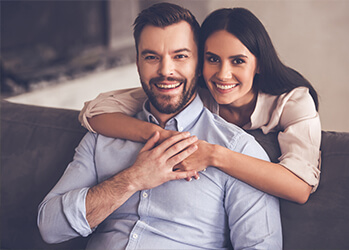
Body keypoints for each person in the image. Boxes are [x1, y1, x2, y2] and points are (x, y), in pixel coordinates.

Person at [37, 3, 282, 249]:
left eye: (180, 56)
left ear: (199, 65)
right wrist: (132, 179)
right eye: (152, 57)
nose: (166, 71)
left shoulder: (237, 151)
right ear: (137, 63)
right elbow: (50, 227)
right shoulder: (103, 137)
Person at [79, 6, 321, 204]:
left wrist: (213, 155)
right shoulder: (197, 91)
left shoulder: (294, 102)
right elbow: (94, 111)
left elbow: (299, 188)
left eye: (238, 61)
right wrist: (160, 134)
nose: (223, 75)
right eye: (212, 59)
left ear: (259, 65)